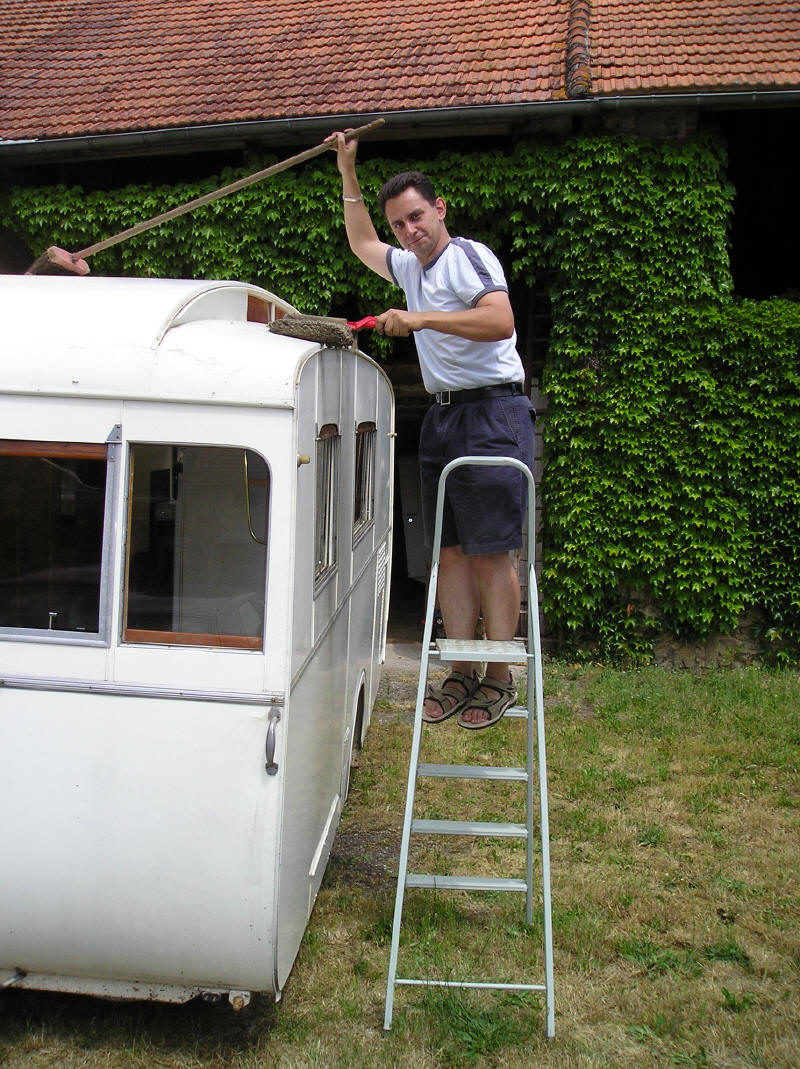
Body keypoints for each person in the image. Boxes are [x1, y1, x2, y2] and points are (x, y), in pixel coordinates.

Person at [328, 130, 535, 729]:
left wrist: (418, 318)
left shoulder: (465, 257)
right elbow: (361, 241)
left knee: (490, 552)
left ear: (439, 209)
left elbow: (500, 320)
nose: (408, 231)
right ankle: (460, 670)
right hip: (445, 417)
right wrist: (347, 170)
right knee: (448, 553)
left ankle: (500, 675)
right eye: (399, 224)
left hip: (491, 412)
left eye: (416, 217)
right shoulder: (408, 264)